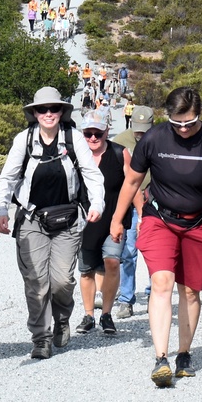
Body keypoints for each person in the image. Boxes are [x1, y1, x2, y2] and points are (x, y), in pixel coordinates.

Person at [110, 87, 202, 388]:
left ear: (199, 115)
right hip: (159, 218)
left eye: (190, 123)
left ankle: (184, 353)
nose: (183, 129)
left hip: (200, 224)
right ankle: (161, 359)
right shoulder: (155, 138)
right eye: (177, 123)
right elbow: (131, 182)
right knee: (161, 282)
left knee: (190, 291)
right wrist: (118, 219)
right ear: (168, 117)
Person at [0, 87, 105, 360]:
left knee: (61, 281)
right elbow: (7, 177)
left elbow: (91, 173)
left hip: (67, 219)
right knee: (36, 282)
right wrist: (0, 209)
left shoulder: (73, 138)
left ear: (61, 112)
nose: (48, 114)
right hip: (32, 218)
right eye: (42, 110)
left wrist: (97, 203)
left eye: (53, 109)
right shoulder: (25, 139)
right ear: (34, 113)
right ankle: (41, 338)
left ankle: (63, 318)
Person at [74, 109, 132, 336]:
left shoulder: (120, 154)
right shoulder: (76, 156)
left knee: (112, 262)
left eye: (97, 133)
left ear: (107, 131)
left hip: (113, 221)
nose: (93, 138)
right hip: (85, 222)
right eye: (88, 134)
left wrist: (141, 216)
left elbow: (132, 185)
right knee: (87, 270)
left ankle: (106, 315)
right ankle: (88, 315)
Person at [113, 105, 155, 318]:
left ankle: (153, 295)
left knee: (153, 254)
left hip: (155, 206)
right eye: (137, 130)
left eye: (144, 130)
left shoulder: (161, 139)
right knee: (128, 254)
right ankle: (126, 300)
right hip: (129, 206)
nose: (140, 135)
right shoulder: (120, 141)